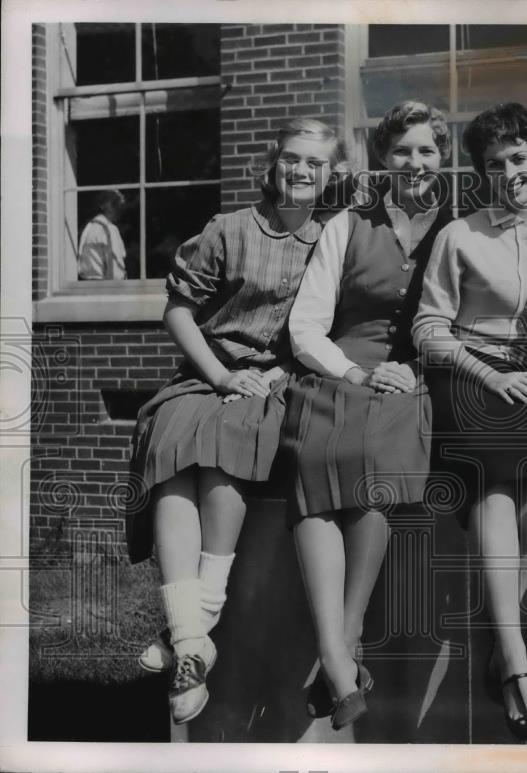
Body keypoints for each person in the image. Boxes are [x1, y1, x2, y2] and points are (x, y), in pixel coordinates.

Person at [128, 118, 347, 724]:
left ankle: (185, 636)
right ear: (272, 164)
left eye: (316, 162)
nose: (301, 170)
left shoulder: (332, 241)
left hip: (275, 380)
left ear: (332, 175)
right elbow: (177, 312)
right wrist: (220, 376)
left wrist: (271, 375)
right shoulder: (228, 229)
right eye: (291, 158)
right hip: (207, 372)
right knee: (171, 448)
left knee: (224, 461)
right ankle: (193, 638)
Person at [278, 101, 454, 731]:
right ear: (384, 157)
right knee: (321, 460)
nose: (415, 162)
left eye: (427, 150)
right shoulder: (347, 224)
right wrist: (351, 372)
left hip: (413, 377)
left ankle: (342, 644)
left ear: (443, 156)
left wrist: (418, 372)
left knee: (377, 463)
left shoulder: (456, 228)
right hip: (337, 371)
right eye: (402, 150)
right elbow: (305, 326)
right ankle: (338, 653)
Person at [412, 102, 527, 741]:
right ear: (481, 173)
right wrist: (489, 373)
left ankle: (517, 646)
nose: (510, 171)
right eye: (495, 163)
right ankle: (512, 658)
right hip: (468, 377)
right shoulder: (460, 234)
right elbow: (427, 329)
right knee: (492, 474)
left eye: (519, 158)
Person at [78, 189, 128, 280]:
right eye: (116, 204)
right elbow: (115, 270)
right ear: (106, 206)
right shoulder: (109, 229)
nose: (119, 209)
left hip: (87, 286)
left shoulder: (89, 228)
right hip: (107, 286)